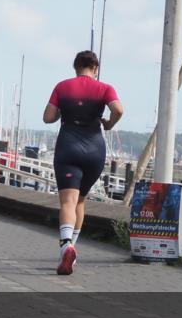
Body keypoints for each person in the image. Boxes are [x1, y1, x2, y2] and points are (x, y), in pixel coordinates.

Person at [42, 50, 123, 275]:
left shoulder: (62, 86)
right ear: (95, 69)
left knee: (68, 201)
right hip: (94, 151)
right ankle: (71, 250)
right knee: (80, 202)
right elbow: (118, 109)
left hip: (68, 147)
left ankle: (66, 247)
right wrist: (109, 124)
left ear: (75, 67)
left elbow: (48, 117)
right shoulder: (105, 88)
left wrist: (63, 111)